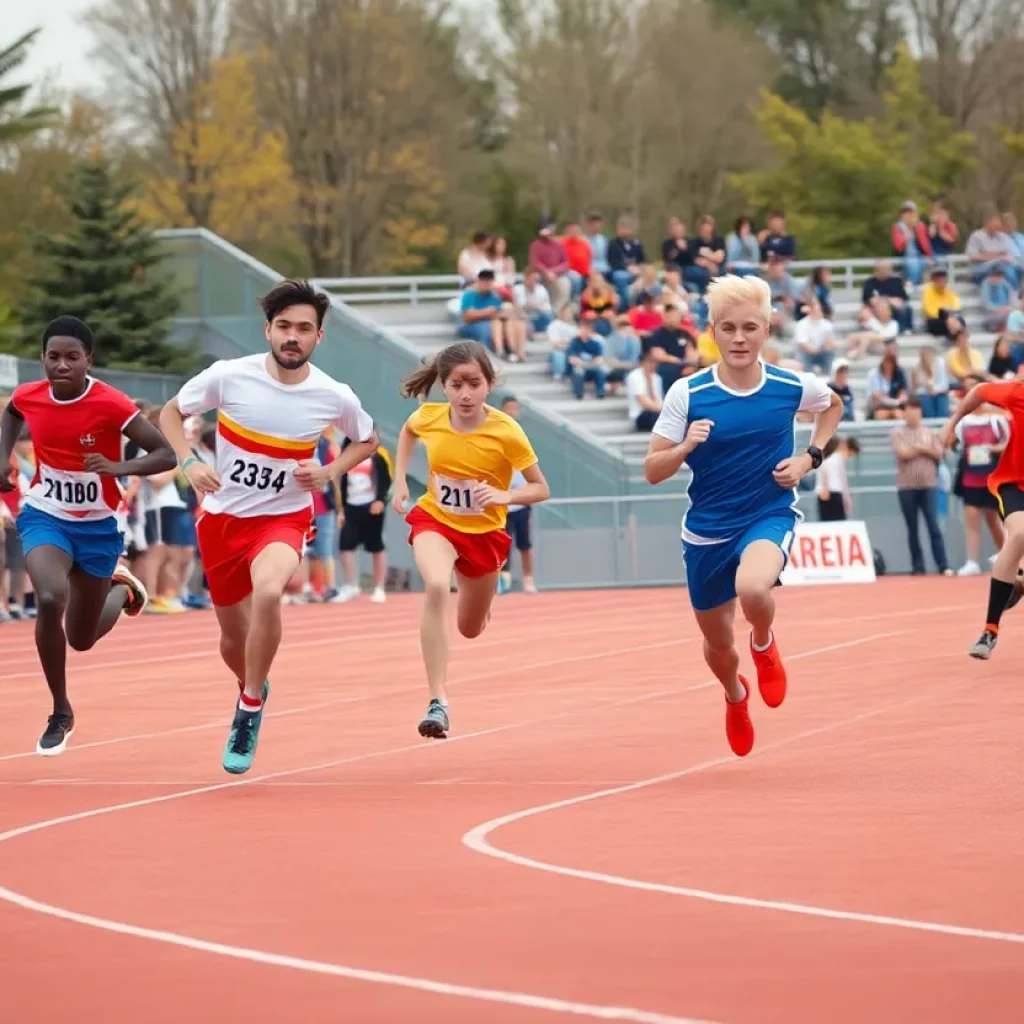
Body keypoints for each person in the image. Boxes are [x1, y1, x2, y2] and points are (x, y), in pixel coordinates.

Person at [158, 279, 378, 774]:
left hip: (283, 516)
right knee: (232, 642)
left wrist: (327, 472)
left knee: (269, 591)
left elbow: (366, 439)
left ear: (319, 337)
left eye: (304, 328)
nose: (292, 337)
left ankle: (249, 707)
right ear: (268, 330)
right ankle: (251, 681)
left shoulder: (332, 394)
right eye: (284, 327)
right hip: (222, 520)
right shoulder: (228, 376)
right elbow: (172, 414)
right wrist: (189, 462)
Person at [644, 275, 844, 757]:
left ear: (767, 329)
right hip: (707, 530)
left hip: (768, 513)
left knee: (753, 588)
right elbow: (653, 469)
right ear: (711, 330)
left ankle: (763, 642)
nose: (739, 338)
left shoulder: (791, 385)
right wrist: (687, 444)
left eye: (750, 327)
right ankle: (736, 695)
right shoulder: (687, 394)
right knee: (717, 646)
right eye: (728, 328)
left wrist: (809, 458)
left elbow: (833, 406)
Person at [0, 316, 176, 755]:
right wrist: (1, 458)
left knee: (81, 638)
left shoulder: (111, 403)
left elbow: (165, 453)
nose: (61, 366)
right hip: (46, 513)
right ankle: (60, 710)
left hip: (97, 526)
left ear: (88, 361)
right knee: (48, 598)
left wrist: (119, 467)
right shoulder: (29, 396)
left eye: (72, 358)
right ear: (43, 358)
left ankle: (123, 589)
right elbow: (11, 413)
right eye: (53, 357)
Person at [392, 341, 550, 739]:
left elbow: (540, 488)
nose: (465, 394)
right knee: (434, 585)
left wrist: (505, 496)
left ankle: (482, 603)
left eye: (474, 384)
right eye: (456, 384)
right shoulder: (429, 417)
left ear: (489, 384)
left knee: (470, 628)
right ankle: (438, 699)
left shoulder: (507, 431)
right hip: (437, 520)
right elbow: (408, 432)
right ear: (443, 385)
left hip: (484, 535)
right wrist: (398, 483)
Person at [938, 380, 1024, 659]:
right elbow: (977, 392)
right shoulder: (1017, 393)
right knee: (1020, 533)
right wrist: (951, 424)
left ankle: (1020, 579)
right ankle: (990, 630)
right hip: (1014, 485)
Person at [335, 434, 392, 603]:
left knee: (376, 546)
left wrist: (381, 500)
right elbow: (341, 484)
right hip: (351, 506)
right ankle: (350, 585)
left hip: (372, 507)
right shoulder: (345, 457)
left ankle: (379, 587)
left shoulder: (379, 455)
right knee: (345, 544)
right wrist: (342, 510)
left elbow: (387, 481)